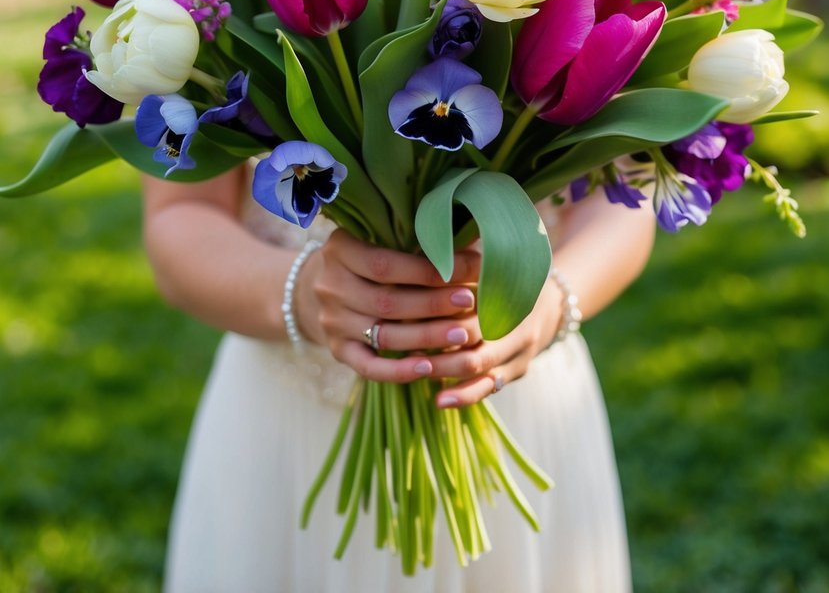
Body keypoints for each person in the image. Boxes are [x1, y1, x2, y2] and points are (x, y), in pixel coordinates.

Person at [143, 164, 655, 593]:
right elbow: (182, 210)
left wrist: (553, 299)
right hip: (286, 427)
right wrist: (304, 291)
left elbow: (626, 190)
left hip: (518, 394)